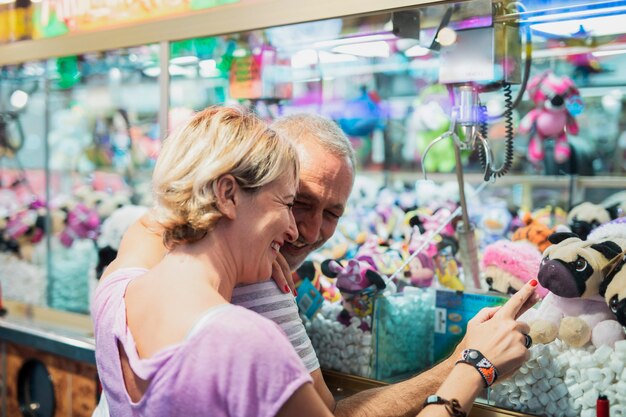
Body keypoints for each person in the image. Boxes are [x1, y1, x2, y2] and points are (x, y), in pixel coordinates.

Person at [97, 109, 538, 417]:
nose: (298, 231)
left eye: (331, 214)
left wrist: (225, 237)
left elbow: (148, 225)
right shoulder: (245, 339)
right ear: (228, 195)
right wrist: (471, 366)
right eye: (290, 202)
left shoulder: (117, 294)